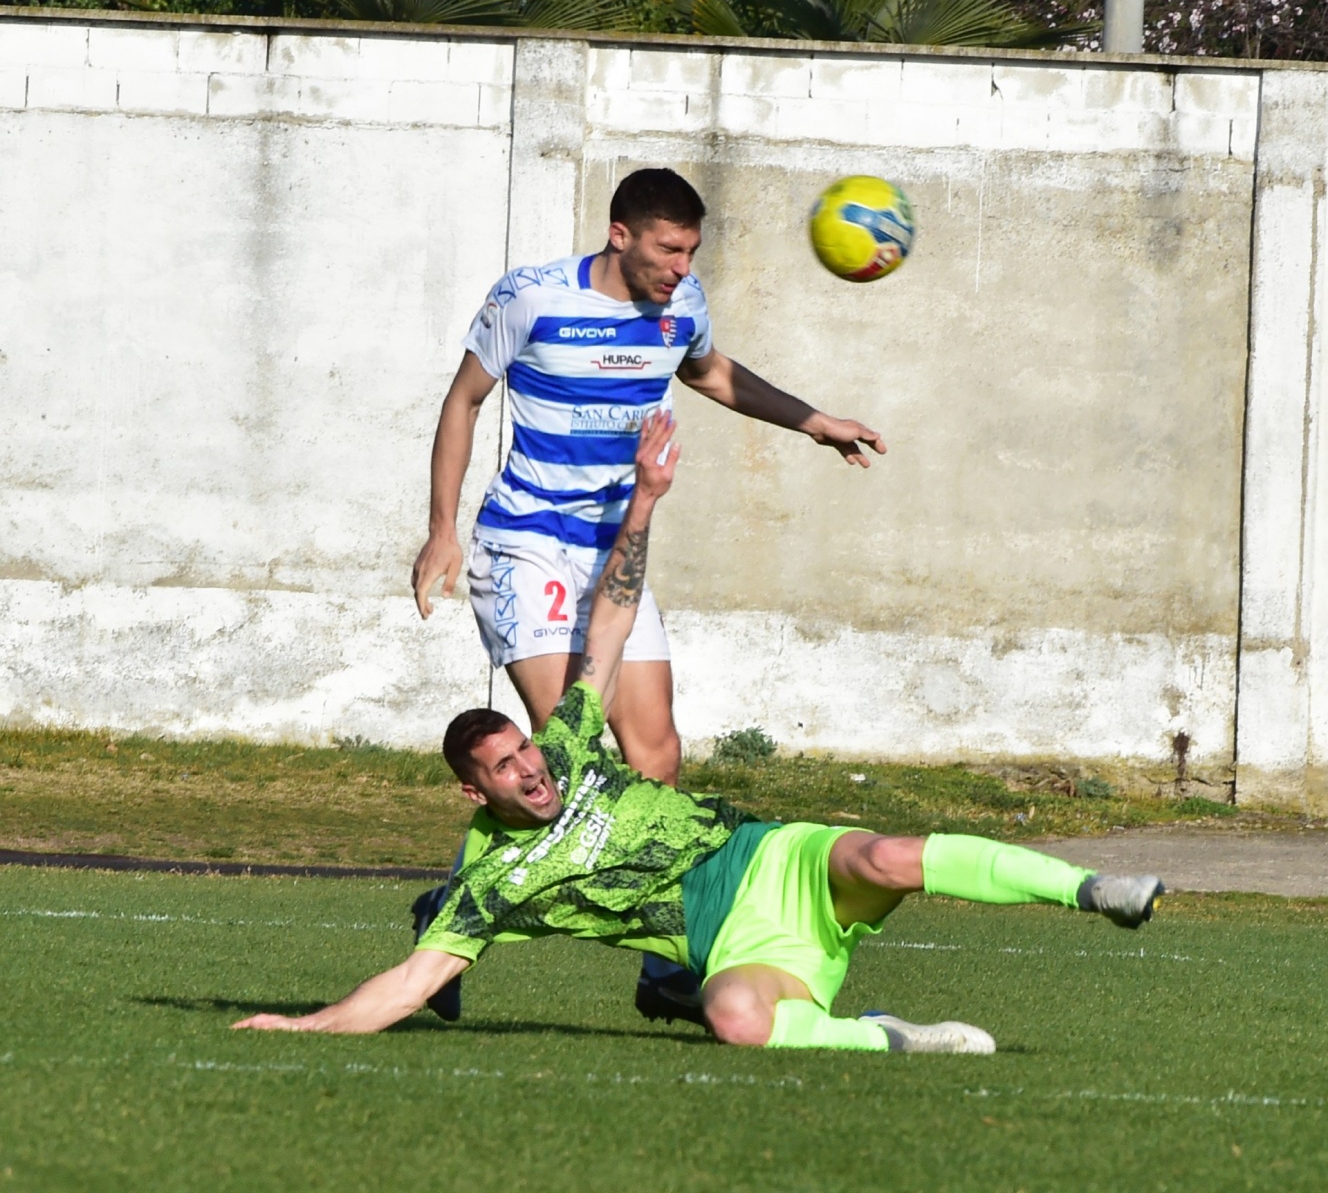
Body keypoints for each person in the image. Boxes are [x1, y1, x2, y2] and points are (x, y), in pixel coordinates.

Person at [236, 415, 1164, 1052]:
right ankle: (880, 1036)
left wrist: (644, 501)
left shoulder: (563, 744)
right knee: (734, 1020)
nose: (533, 770)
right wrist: (308, 1028)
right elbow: (408, 983)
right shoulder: (491, 883)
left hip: (768, 860)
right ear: (473, 794)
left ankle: (1096, 891)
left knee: (885, 857)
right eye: (508, 770)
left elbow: (608, 619)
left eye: (524, 751)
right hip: (734, 946)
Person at [408, 167, 885, 1024]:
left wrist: (815, 422)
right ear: (620, 234)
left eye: (691, 250)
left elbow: (708, 371)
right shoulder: (529, 298)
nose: (681, 265)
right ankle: (450, 911)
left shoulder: (683, 302)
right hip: (524, 549)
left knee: (656, 757)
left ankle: (662, 966)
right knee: (572, 759)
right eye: (668, 248)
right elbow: (464, 401)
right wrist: (443, 529)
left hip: (617, 550)